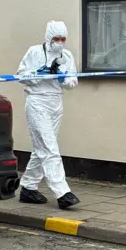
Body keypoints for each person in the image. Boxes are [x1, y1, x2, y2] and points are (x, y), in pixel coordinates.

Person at [15, 20, 80, 209]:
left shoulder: (66, 55)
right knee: (50, 147)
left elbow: (73, 82)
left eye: (63, 39)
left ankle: (28, 187)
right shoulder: (34, 52)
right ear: (48, 37)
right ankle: (62, 192)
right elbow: (21, 76)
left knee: (42, 147)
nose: (60, 42)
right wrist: (39, 74)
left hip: (56, 103)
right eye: (56, 38)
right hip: (37, 101)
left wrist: (62, 78)